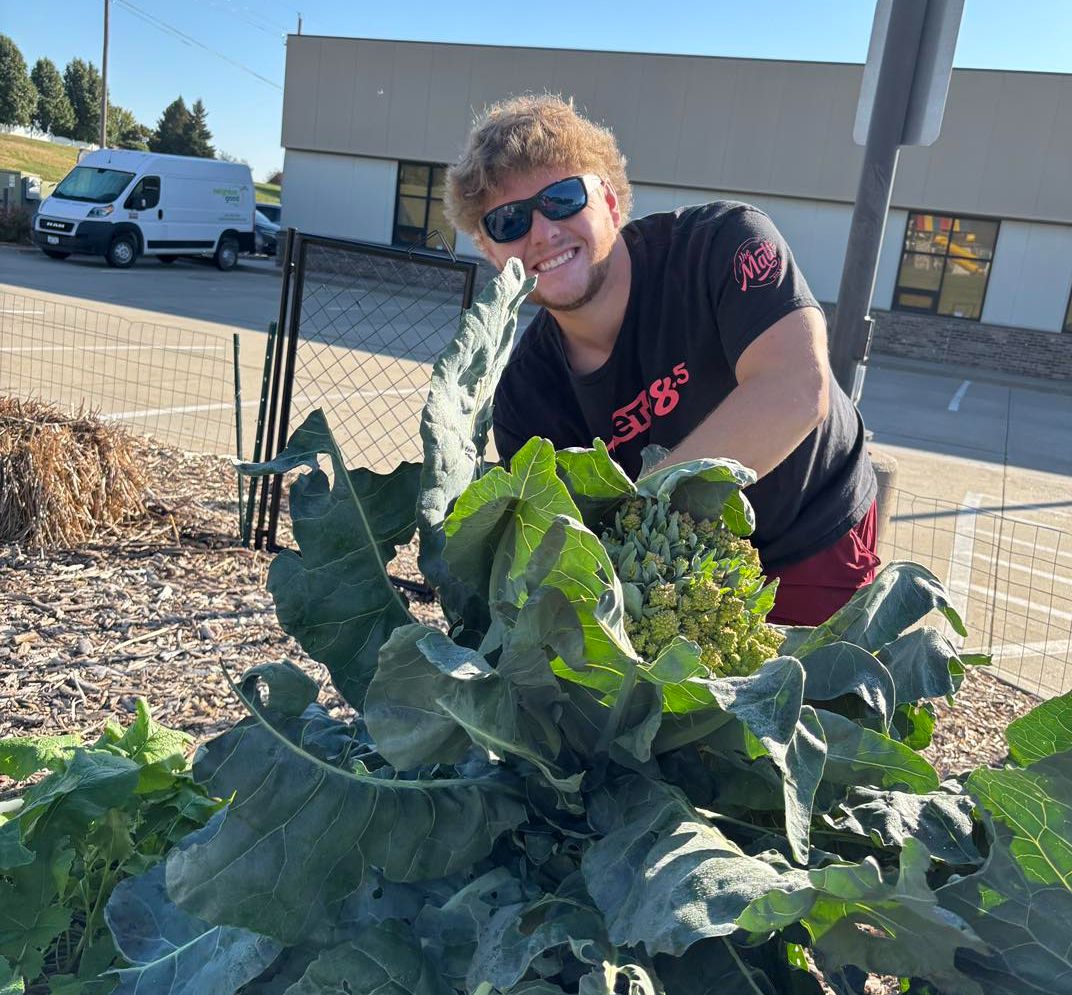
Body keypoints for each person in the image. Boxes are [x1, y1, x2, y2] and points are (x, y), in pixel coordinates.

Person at [443, 94, 879, 626]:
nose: (542, 232)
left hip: (810, 534)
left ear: (610, 203)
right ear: (491, 253)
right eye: (508, 221)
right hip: (668, 584)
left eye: (561, 199)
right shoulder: (524, 398)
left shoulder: (721, 243)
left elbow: (795, 390)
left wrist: (640, 517)